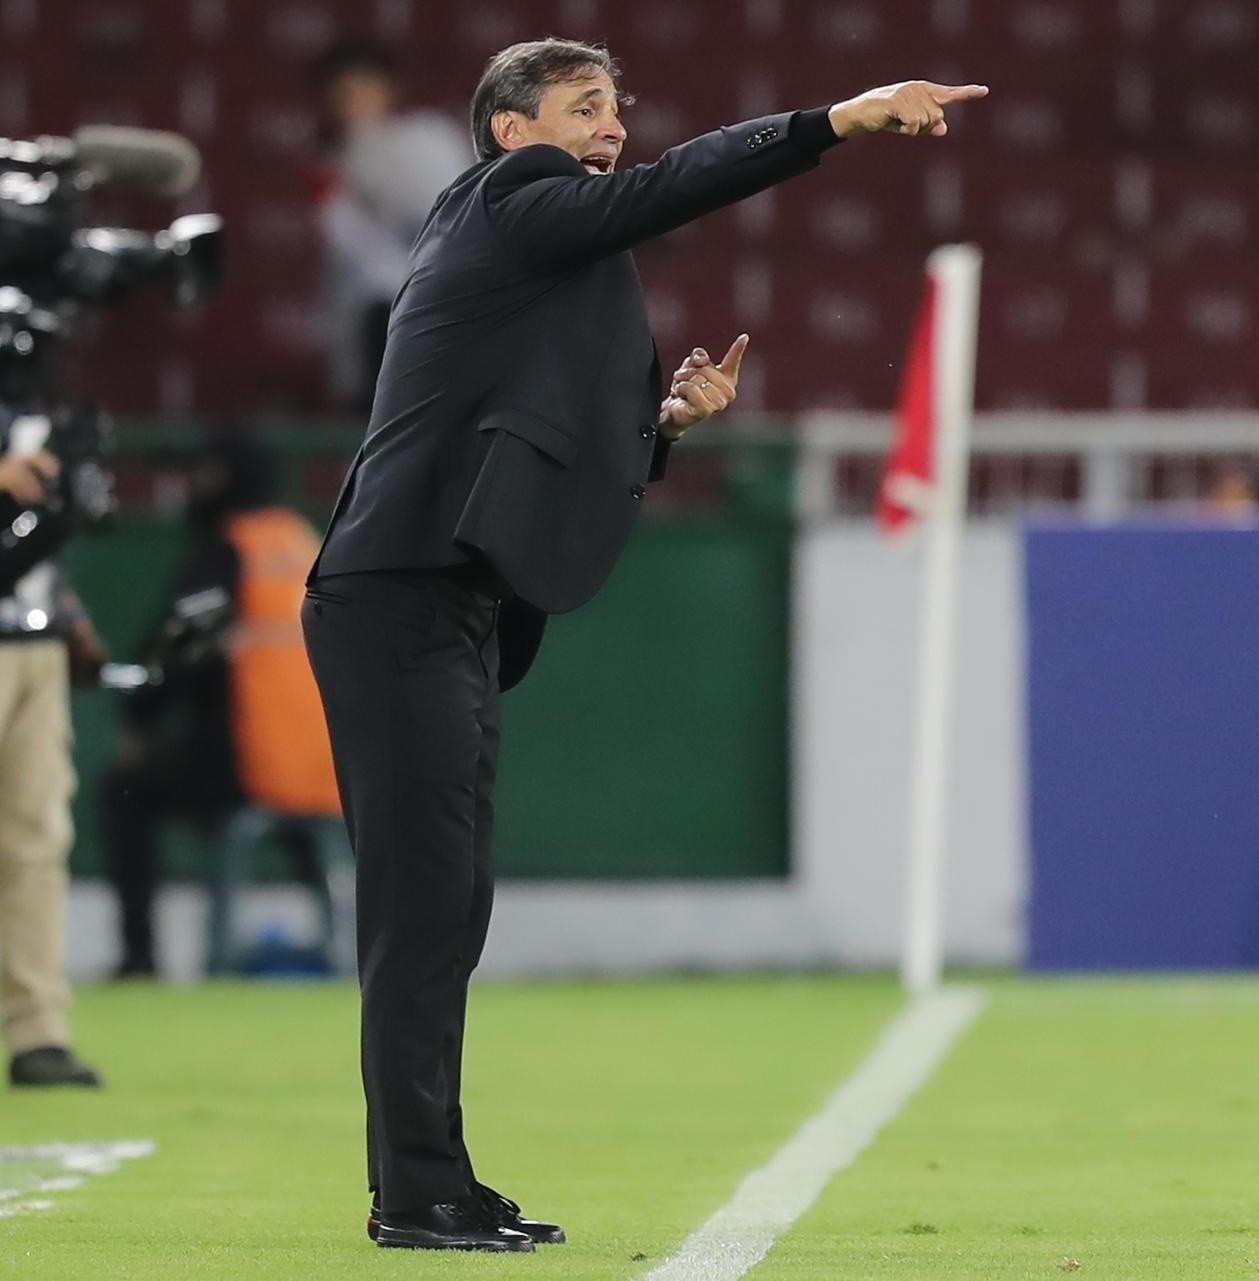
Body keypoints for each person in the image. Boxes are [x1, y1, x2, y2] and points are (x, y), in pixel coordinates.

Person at [300, 37, 987, 1252]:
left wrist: (661, 424)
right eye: (582, 108)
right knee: (421, 915)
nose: (613, 128)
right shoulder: (512, 201)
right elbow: (679, 185)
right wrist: (841, 119)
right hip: (399, 594)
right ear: (512, 130)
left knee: (448, 909)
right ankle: (413, 1195)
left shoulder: (538, 256)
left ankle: (436, 1177)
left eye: (618, 107)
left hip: (440, 600)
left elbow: (529, 424)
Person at [104, 432, 340, 978]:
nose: (193, 486)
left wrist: (138, 720)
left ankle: (139, 959)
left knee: (123, 793)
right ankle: (345, 953)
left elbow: (176, 652)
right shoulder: (301, 541)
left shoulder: (227, 547)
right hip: (328, 772)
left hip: (251, 766)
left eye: (203, 470)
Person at [0, 433, 105, 1088]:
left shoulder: (32, 394)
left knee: (37, 838)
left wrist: (66, 611)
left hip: (33, 640)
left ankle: (37, 1031)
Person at [311, 40, 472, 409]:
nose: (350, 102)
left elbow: (444, 217)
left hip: (431, 312)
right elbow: (350, 261)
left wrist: (366, 153)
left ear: (387, 88)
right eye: (340, 94)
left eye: (360, 89)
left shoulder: (427, 138)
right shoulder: (334, 164)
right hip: (370, 328)